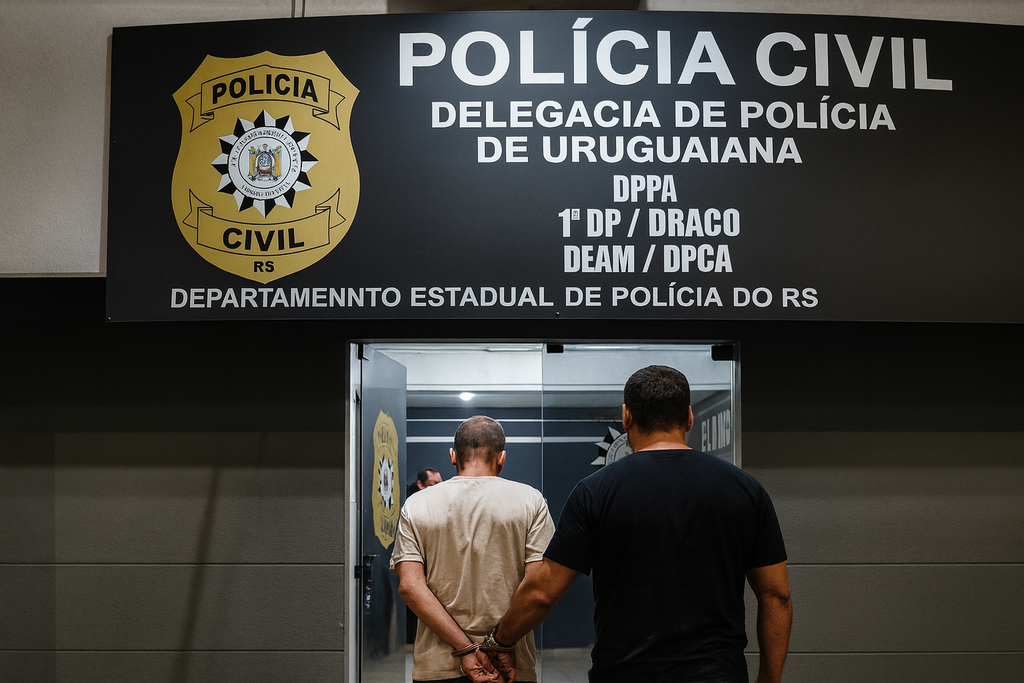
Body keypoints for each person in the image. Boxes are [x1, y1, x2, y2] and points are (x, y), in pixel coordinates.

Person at [490, 365, 792, 683]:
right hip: (718, 675)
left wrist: (499, 641)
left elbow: (542, 593)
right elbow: (777, 596)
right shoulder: (745, 489)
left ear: (627, 417)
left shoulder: (594, 491)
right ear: (689, 417)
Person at [391, 415, 554, 683]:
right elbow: (541, 592)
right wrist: (500, 645)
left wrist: (466, 650)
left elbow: (409, 587)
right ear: (502, 458)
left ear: (453, 455)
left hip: (438, 667)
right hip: (509, 664)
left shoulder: (417, 505)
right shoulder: (531, 501)